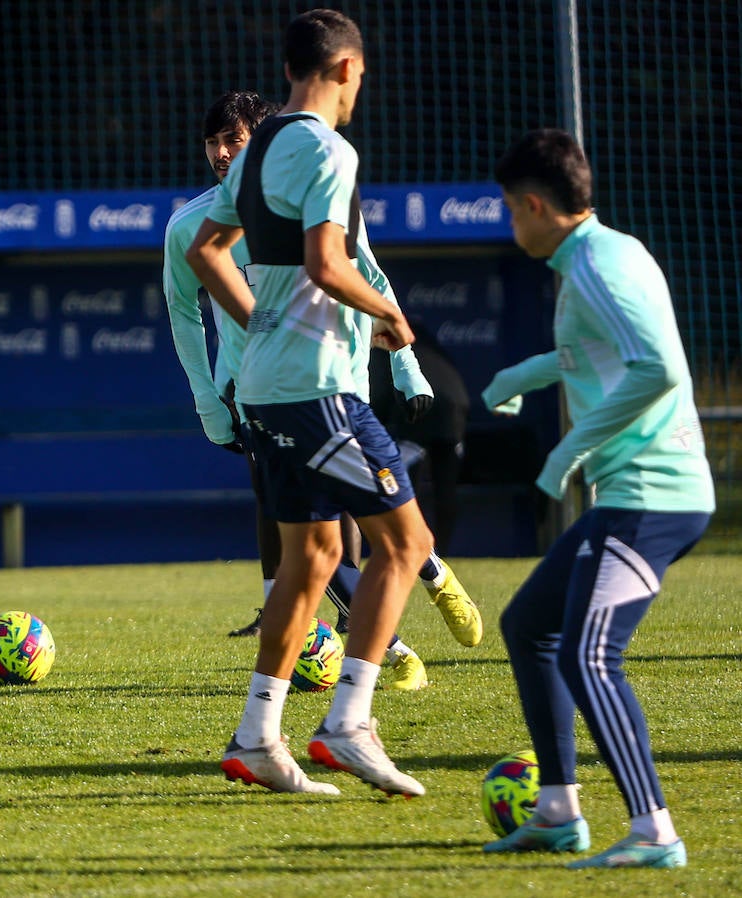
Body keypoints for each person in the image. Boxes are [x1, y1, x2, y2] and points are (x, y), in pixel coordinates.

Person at [185, 9, 431, 797]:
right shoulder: (328, 148)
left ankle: (258, 737)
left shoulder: (252, 157)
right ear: (348, 69)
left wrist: (259, 327)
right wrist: (388, 317)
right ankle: (349, 722)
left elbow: (205, 251)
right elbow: (330, 265)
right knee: (406, 543)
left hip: (264, 389)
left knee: (314, 558)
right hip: (318, 390)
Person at [165, 92, 481, 694]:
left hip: (339, 380)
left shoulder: (311, 200)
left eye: (234, 140)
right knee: (313, 537)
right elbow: (185, 311)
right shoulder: (191, 226)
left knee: (348, 521)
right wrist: (210, 395)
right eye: (213, 143)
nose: (222, 153)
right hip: (262, 393)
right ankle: (385, 654)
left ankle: (426, 575)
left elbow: (363, 270)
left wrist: (406, 359)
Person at [480, 129, 712, 868]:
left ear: (537, 204)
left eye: (512, 211)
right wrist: (523, 375)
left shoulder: (598, 268)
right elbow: (593, 354)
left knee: (588, 655)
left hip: (652, 496)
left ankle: (654, 833)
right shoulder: (600, 254)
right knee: (530, 626)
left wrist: (567, 451)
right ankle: (556, 811)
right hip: (630, 496)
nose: (512, 225)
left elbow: (660, 369)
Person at [368, 318, 470, 554]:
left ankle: (412, 548)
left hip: (420, 405)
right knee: (444, 488)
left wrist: (373, 423)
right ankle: (439, 552)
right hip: (455, 407)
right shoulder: (420, 333)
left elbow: (380, 389)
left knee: (403, 488)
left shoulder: (382, 335)